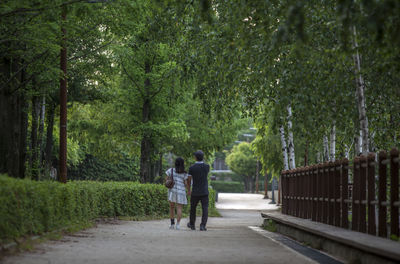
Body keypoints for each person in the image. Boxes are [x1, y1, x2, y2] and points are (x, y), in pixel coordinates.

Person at [187, 150, 210, 231]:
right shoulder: (207, 167)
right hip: (204, 191)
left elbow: (189, 180)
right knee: (205, 208)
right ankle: (202, 225)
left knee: (193, 208)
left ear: (195, 157)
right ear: (203, 157)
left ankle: (192, 224)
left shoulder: (192, 168)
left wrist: (189, 189)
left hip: (195, 192)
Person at [166, 157, 190, 230]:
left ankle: (172, 224)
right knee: (179, 208)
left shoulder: (171, 170)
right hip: (181, 192)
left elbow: (166, 179)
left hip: (172, 191)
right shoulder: (185, 173)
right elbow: (186, 183)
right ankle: (178, 225)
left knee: (172, 207)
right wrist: (189, 190)